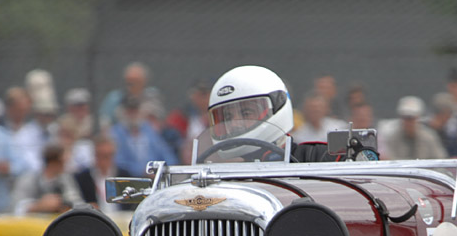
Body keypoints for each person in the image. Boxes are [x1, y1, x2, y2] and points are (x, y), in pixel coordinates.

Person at [207, 65, 338, 163]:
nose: (234, 123)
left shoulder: (317, 157)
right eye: (227, 117)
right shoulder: (215, 174)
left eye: (246, 113)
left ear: (277, 106)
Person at [111, 96, 178, 176]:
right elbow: (118, 161)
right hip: (131, 178)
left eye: (135, 111)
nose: (133, 115)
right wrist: (142, 171)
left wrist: (165, 170)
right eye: (130, 111)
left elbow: (166, 153)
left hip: (156, 176)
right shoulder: (116, 133)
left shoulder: (149, 130)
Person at [11, 142, 84, 215]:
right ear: (53, 162)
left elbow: (76, 201)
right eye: (64, 162)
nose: (66, 165)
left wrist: (66, 206)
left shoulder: (66, 179)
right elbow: (16, 207)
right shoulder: (29, 179)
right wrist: (38, 206)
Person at [380, 96, 447, 161]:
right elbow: (390, 161)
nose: (408, 122)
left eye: (411, 118)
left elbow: (440, 160)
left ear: (418, 118)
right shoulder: (393, 138)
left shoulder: (429, 137)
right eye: (405, 118)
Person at [74, 135, 130, 212]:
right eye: (100, 155)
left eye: (107, 156)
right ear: (95, 155)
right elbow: (77, 201)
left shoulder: (124, 176)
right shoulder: (83, 178)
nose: (103, 161)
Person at [100, 62, 158, 129]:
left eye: (136, 81)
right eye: (129, 80)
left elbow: (157, 124)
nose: (131, 84)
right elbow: (104, 121)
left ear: (144, 81)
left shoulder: (152, 97)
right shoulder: (115, 98)